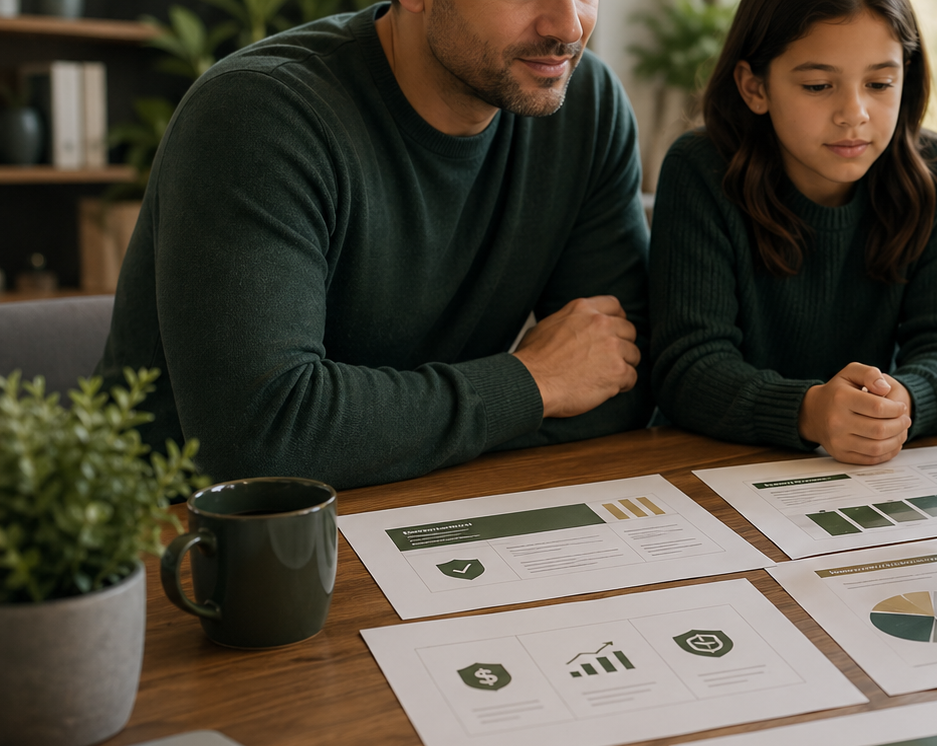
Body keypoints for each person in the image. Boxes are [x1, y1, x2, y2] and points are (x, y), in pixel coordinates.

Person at [96, 0, 651, 490]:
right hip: (177, 544)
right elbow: (260, 440)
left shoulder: (586, 108)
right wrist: (533, 384)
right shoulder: (259, 114)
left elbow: (617, 376)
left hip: (426, 508)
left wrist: (376, 436)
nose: (569, 23)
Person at [647, 0, 937, 464]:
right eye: (818, 85)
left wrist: (895, 405)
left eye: (880, 83)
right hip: (714, 466)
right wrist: (809, 412)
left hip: (870, 474)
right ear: (754, 87)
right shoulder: (700, 170)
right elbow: (687, 367)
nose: (854, 113)